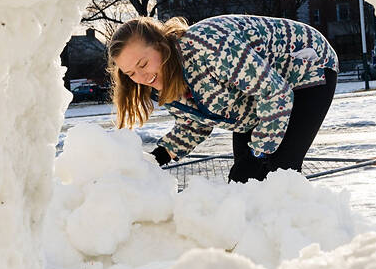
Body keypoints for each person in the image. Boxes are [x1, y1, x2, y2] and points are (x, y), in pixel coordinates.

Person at [108, 14, 339, 183]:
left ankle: (301, 236)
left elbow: (274, 92)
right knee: (243, 181)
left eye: (143, 64)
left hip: (306, 67)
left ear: (161, 47)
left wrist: (258, 153)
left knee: (279, 172)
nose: (142, 77)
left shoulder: (211, 47)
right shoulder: (163, 80)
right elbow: (195, 123)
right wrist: (158, 157)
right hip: (255, 100)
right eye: (131, 73)